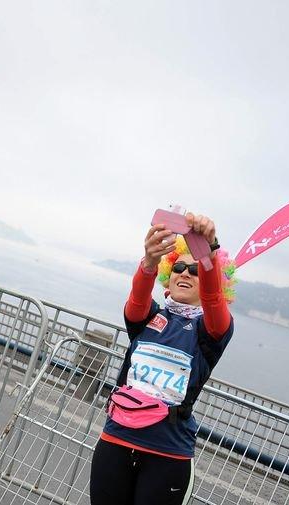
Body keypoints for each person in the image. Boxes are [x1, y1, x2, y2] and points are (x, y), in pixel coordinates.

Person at [89, 213, 237, 505]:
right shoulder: (149, 316)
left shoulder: (212, 330)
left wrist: (207, 257)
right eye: (180, 266)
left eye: (194, 271)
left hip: (168, 452)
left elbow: (212, 300)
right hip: (117, 439)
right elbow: (137, 299)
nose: (185, 273)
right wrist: (149, 261)